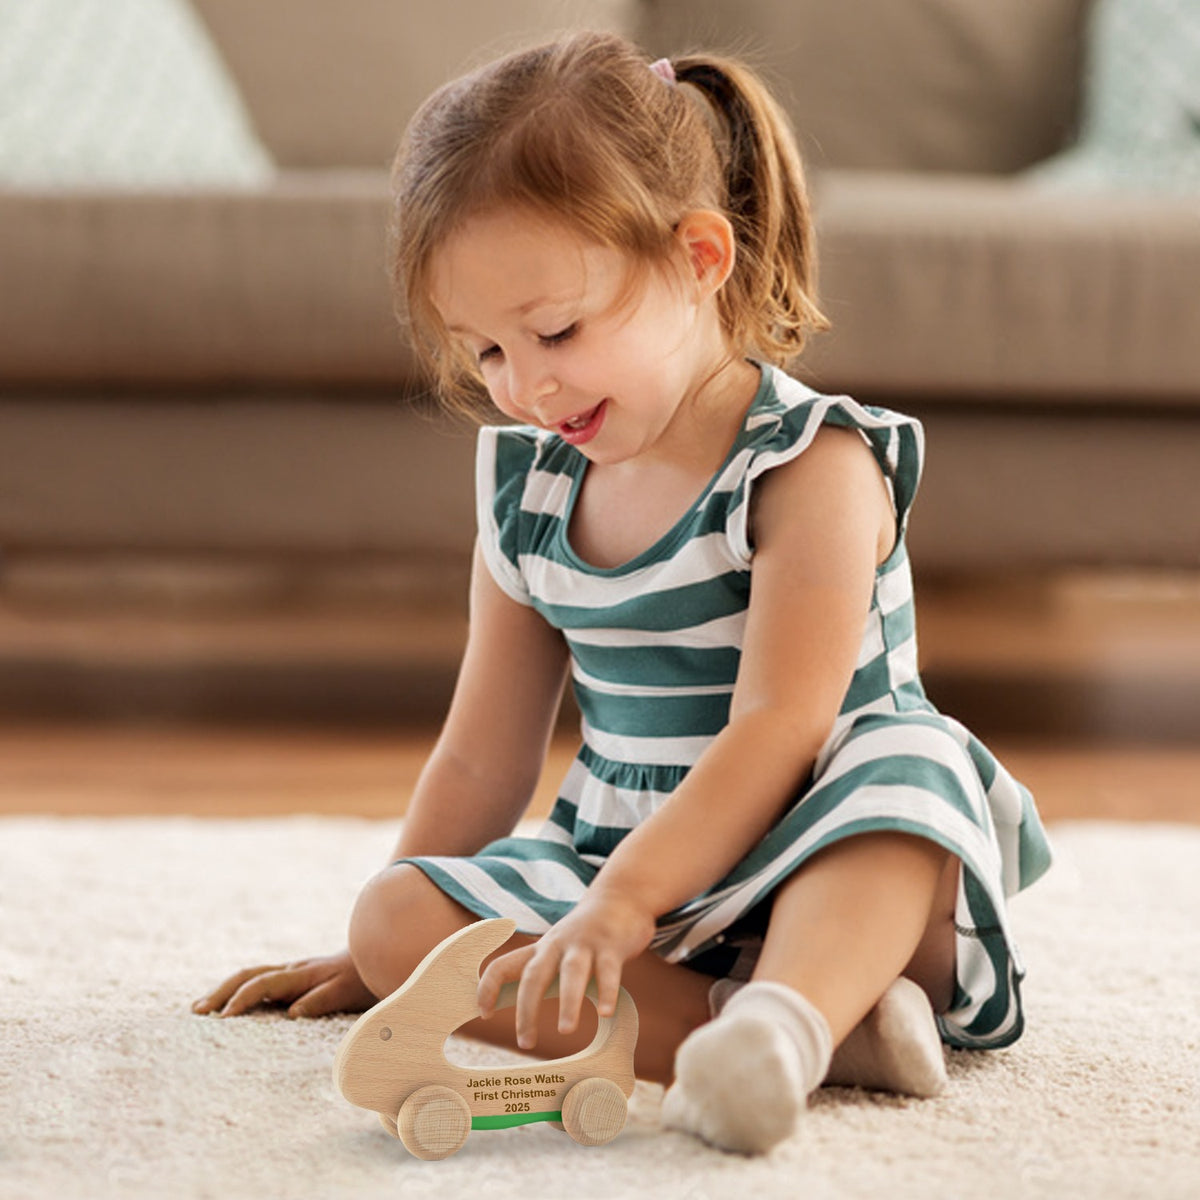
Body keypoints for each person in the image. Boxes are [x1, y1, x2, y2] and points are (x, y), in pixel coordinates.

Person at [194, 31, 1052, 1154]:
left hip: (823, 844)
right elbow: (480, 756)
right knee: (398, 918)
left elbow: (782, 727)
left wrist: (627, 904)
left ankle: (800, 1004)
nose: (527, 384)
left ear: (701, 258)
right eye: (486, 353)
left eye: (554, 331)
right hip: (621, 860)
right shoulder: (528, 485)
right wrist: (388, 958)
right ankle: (788, 1038)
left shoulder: (811, 467)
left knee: (904, 773)